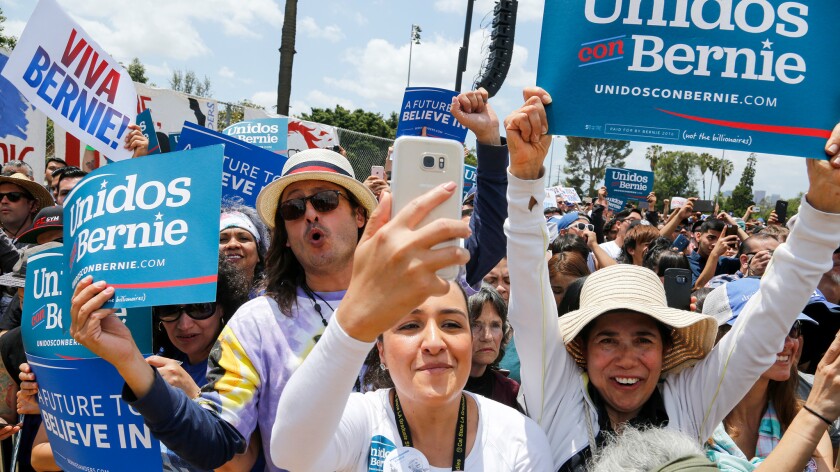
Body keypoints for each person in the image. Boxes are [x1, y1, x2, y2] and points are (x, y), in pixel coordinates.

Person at [69, 89, 512, 470]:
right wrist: (129, 362)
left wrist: (491, 143)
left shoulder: (416, 288)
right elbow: (214, 443)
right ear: (283, 230)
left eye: (324, 199)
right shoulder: (256, 323)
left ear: (360, 214)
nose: (310, 214)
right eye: (293, 209)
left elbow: (488, 239)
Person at [501, 86, 840, 471]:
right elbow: (529, 291)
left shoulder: (689, 402)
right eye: (607, 340)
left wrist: (824, 207)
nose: (626, 359)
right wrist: (525, 178)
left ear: (666, 351)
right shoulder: (557, 393)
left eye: (643, 339)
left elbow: (770, 315)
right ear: (584, 351)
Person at [269, 182, 552, 471]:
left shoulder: (520, 439)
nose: (434, 342)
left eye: (452, 324)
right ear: (380, 351)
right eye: (410, 326)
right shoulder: (361, 420)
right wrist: (353, 317)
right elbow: (291, 453)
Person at [702, 278, 832, 471]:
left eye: (793, 327)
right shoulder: (688, 421)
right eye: (770, 329)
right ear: (724, 337)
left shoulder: (804, 421)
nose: (788, 343)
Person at [465, 284, 520, 410]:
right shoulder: (439, 387)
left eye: (495, 325)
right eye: (475, 325)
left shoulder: (509, 392)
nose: (487, 336)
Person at [218, 204, 269, 295]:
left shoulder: (276, 303)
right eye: (222, 239)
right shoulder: (194, 303)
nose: (233, 244)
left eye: (244, 238)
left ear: (259, 254)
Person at [705, 234, 780, 288]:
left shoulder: (783, 284)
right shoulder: (723, 283)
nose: (774, 258)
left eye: (779, 253)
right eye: (769, 254)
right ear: (745, 260)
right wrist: (754, 278)